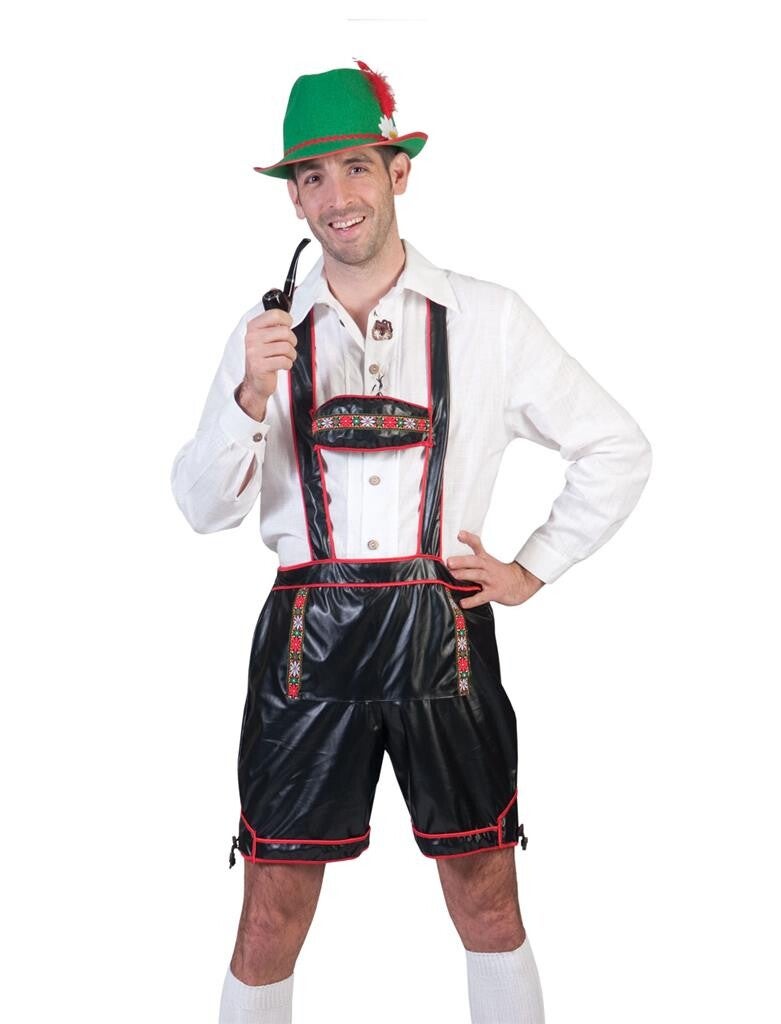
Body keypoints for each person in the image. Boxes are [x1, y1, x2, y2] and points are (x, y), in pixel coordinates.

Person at [170, 59, 652, 1024]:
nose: (335, 196)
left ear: (398, 172)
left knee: (486, 898)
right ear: (295, 199)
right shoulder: (266, 334)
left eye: (355, 166)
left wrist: (533, 568)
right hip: (305, 648)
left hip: (444, 640)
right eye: (312, 176)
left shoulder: (486, 318)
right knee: (269, 913)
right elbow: (200, 508)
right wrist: (250, 395)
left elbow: (616, 448)